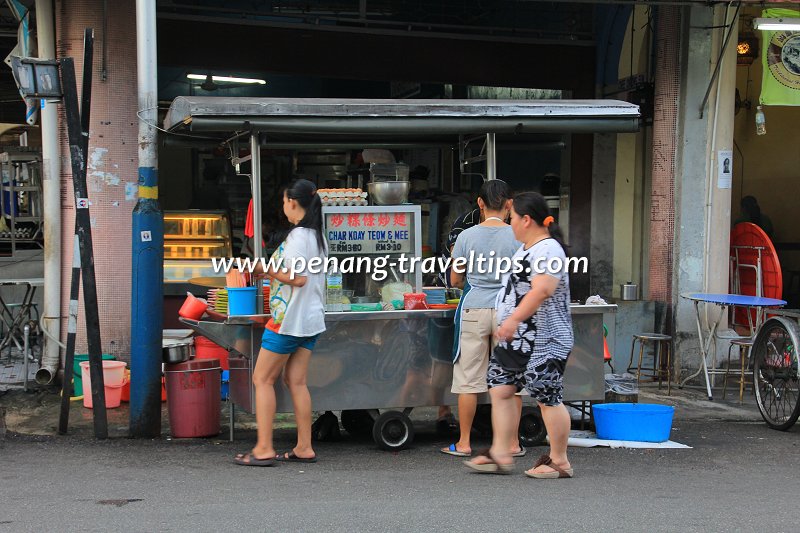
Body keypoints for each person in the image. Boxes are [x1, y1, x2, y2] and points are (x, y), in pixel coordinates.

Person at [465, 191, 575, 479]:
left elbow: (542, 289)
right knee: (501, 388)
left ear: (527, 220)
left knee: (546, 396)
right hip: (518, 338)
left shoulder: (549, 250)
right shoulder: (526, 248)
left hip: (544, 339)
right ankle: (500, 453)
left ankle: (560, 461)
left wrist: (513, 319)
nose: (509, 223)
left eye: (512, 218)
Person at [234, 179, 327, 466]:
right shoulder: (316, 236)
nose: (283, 207)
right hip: (310, 320)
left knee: (262, 379)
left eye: (284, 202)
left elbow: (298, 278)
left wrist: (267, 269)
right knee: (296, 382)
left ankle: (263, 447)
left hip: (289, 320)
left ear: (293, 202)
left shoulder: (299, 237)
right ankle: (304, 447)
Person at [440, 180, 523, 458]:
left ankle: (464, 443)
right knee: (509, 378)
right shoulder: (518, 235)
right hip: (507, 312)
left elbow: (455, 279)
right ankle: (513, 443)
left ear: (479, 203)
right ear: (509, 205)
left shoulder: (466, 237)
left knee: (468, 380)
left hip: (474, 309)